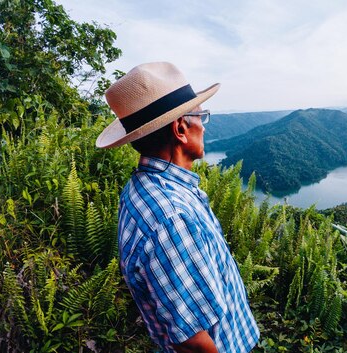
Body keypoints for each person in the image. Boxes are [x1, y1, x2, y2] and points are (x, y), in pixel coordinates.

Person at [96, 62, 259, 353]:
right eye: (201, 117)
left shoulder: (144, 190)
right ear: (181, 128)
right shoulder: (171, 217)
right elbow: (194, 342)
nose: (204, 127)